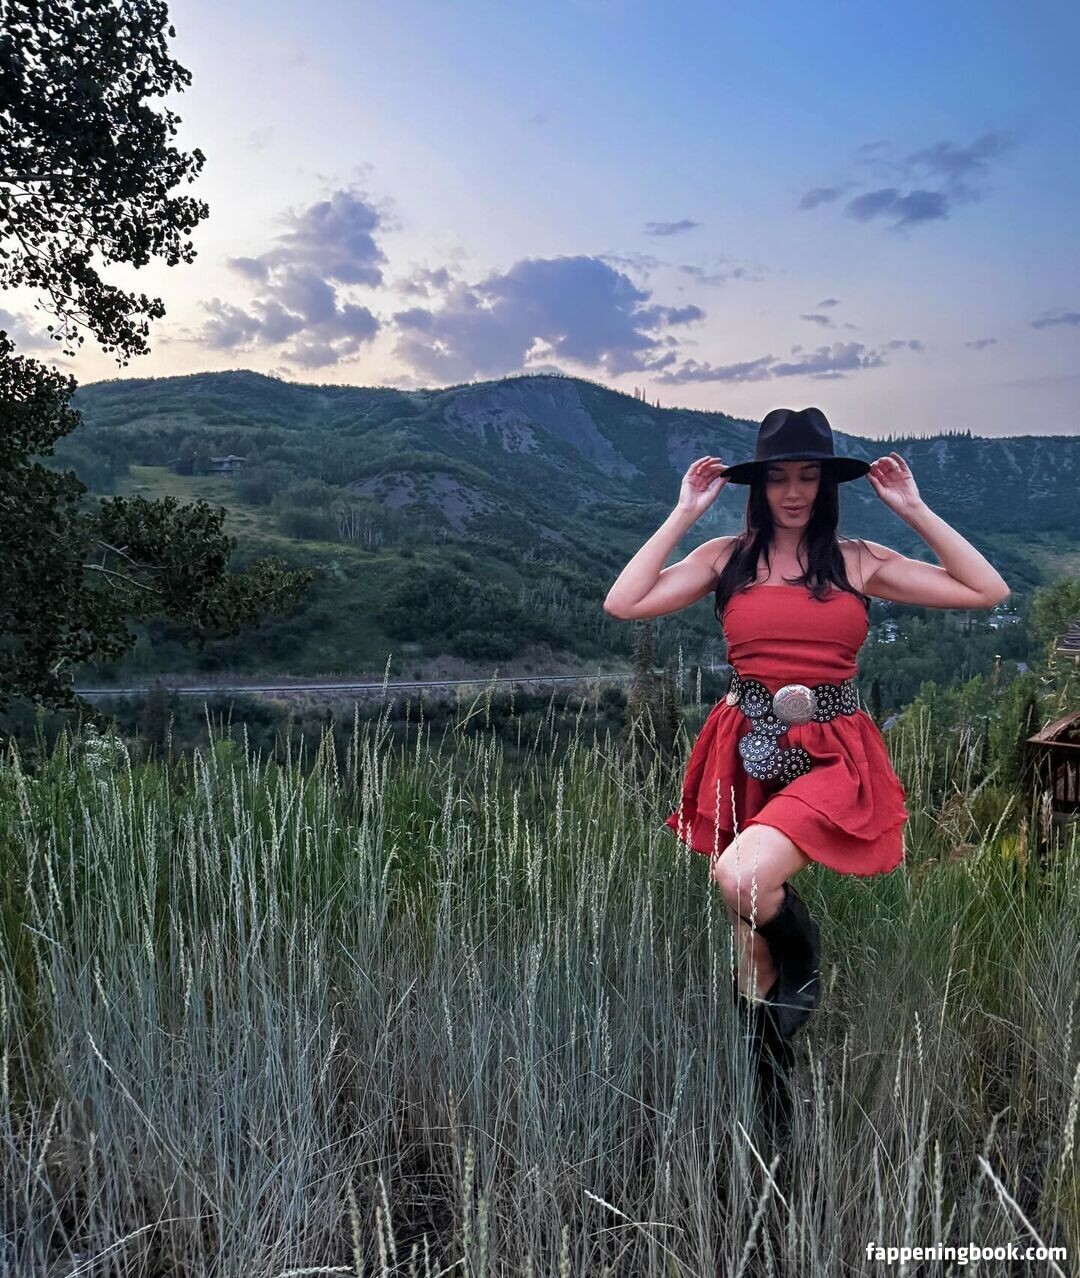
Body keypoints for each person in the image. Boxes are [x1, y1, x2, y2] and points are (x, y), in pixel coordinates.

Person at [603, 406, 1010, 1124]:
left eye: (808, 476)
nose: (794, 492)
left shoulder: (856, 560)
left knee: (741, 877)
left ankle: (806, 956)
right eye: (779, 478)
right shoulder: (725, 557)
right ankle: (772, 1115)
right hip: (744, 741)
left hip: (830, 748)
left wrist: (913, 509)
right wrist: (683, 513)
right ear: (758, 486)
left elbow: (987, 590)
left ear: (826, 484)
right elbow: (624, 602)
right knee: (747, 941)